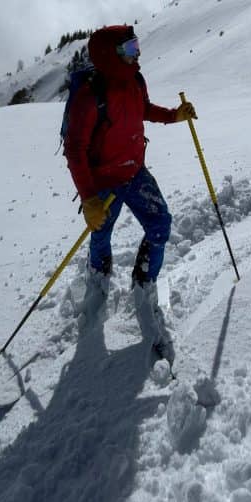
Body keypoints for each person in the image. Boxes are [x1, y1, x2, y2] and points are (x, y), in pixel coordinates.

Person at [63, 25, 196, 306]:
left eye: (136, 46)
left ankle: (144, 281)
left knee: (160, 222)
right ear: (110, 56)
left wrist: (175, 116)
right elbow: (74, 151)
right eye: (130, 50)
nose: (138, 55)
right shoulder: (90, 97)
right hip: (103, 183)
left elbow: (143, 109)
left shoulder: (136, 80)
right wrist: (88, 200)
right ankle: (99, 274)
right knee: (100, 235)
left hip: (135, 173)